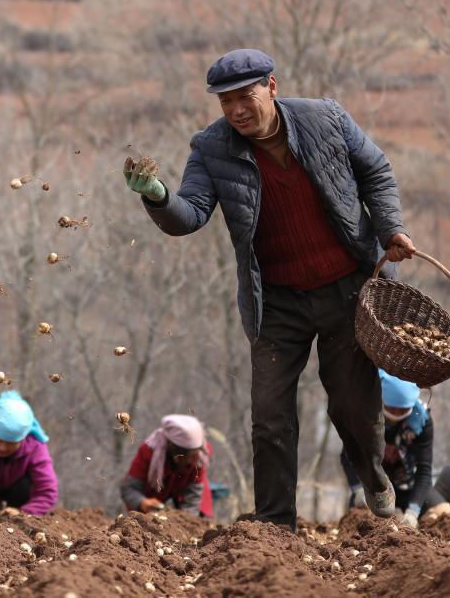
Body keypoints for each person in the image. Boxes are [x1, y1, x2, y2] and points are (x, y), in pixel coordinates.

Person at [123, 48, 415, 530]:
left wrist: (391, 229)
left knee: (352, 405)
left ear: (272, 87)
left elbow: (376, 173)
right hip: (276, 302)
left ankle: (375, 482)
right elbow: (190, 215)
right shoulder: (211, 148)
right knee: (270, 414)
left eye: (246, 96)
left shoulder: (326, 119)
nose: (237, 109)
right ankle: (276, 522)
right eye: (225, 102)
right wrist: (156, 195)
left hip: (349, 289)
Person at [343, 370, 444, 528]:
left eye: (402, 411)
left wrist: (413, 512)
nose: (395, 415)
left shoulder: (422, 420)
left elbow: (424, 470)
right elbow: (348, 454)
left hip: (408, 486)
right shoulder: (366, 414)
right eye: (391, 408)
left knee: (443, 512)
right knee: (363, 519)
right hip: (374, 487)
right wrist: (357, 490)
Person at [120, 414, 213, 517]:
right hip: (153, 496)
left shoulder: (199, 457)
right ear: (173, 449)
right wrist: (142, 502)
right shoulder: (148, 451)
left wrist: (187, 519)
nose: (191, 462)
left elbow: (193, 496)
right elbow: (129, 489)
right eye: (186, 458)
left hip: (184, 493)